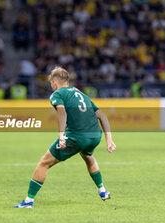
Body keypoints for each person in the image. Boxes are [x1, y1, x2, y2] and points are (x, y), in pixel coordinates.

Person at [14, 67, 116, 208]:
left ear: (55, 82)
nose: (51, 87)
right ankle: (102, 191)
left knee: (44, 163)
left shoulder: (57, 94)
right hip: (95, 136)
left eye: (51, 84)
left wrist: (61, 136)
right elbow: (102, 116)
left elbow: (61, 112)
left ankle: (28, 201)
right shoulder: (81, 94)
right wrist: (109, 139)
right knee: (87, 156)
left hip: (77, 136)